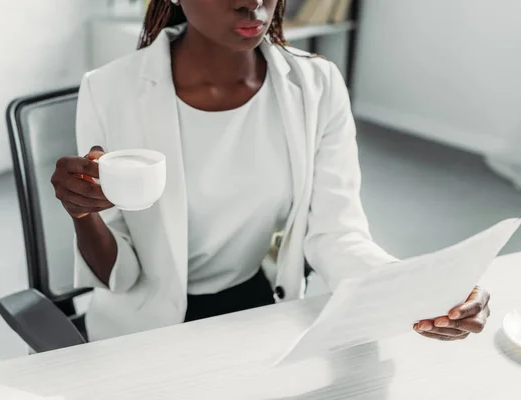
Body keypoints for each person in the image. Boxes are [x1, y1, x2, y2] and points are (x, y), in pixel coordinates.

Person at [50, 0, 490, 342]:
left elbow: (336, 234)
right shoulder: (109, 91)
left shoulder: (317, 86)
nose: (253, 1)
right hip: (144, 327)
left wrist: (423, 292)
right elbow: (118, 276)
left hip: (256, 310)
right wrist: (82, 213)